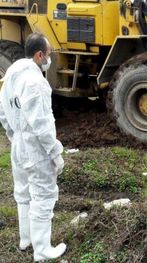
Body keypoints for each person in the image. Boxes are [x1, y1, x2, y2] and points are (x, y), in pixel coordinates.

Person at [0, 33, 66, 261]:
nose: (49, 58)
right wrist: (55, 151)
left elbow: (2, 112)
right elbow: (42, 124)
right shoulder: (37, 83)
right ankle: (42, 250)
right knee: (43, 195)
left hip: (18, 143)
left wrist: (13, 136)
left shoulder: (11, 74)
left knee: (23, 193)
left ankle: (26, 239)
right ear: (40, 54)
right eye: (48, 53)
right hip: (35, 147)